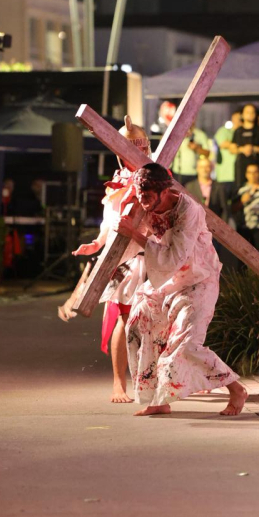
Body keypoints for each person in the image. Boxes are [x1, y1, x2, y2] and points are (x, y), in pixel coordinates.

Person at [115, 163, 248, 416]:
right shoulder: (145, 205)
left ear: (164, 192)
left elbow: (175, 256)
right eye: (139, 194)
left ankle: (236, 388)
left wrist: (136, 235)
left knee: (186, 345)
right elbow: (127, 230)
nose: (142, 201)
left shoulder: (189, 210)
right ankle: (158, 399)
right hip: (168, 281)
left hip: (199, 279)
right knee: (137, 324)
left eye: (147, 196)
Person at [60, 116, 150, 404]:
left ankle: (154, 380)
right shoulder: (117, 181)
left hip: (152, 256)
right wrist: (98, 243)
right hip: (122, 259)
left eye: (140, 148)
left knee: (154, 320)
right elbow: (108, 220)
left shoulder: (158, 176)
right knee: (125, 318)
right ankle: (118, 383)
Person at [229, 104, 259, 186]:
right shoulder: (238, 131)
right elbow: (232, 149)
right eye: (247, 112)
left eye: (252, 112)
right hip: (242, 166)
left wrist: (254, 148)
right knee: (241, 188)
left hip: (257, 164)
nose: (250, 114)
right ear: (242, 115)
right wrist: (243, 149)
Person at [185, 156, 230, 221]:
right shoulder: (190, 186)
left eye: (207, 167)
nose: (204, 169)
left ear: (211, 168)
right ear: (197, 169)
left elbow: (224, 210)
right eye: (201, 167)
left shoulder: (219, 187)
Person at [213, 110, 242, 190]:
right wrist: (241, 148)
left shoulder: (243, 133)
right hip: (224, 176)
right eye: (237, 118)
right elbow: (223, 144)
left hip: (240, 176)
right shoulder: (224, 131)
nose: (239, 120)